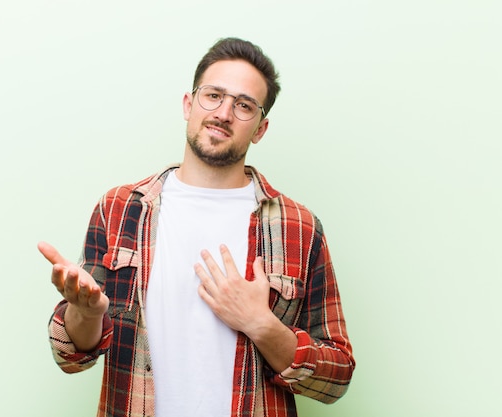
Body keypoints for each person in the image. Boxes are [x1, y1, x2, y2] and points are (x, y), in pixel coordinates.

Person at [39, 37, 355, 417]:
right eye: (214, 96)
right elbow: (71, 355)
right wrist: (86, 315)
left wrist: (262, 324)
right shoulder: (121, 209)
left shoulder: (299, 228)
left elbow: (336, 377)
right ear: (189, 105)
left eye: (243, 105)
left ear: (260, 128)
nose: (223, 113)